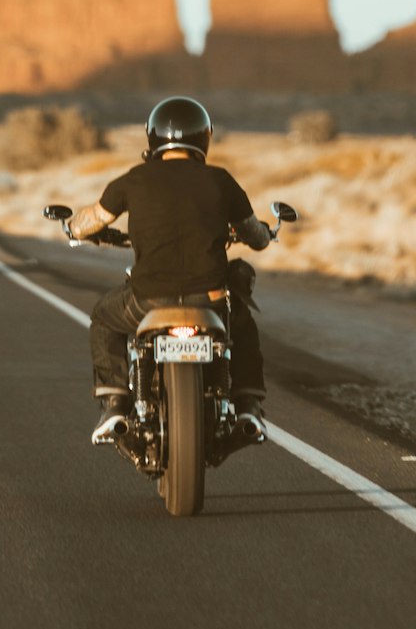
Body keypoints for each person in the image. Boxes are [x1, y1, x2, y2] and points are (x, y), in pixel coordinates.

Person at [68, 97, 273, 444]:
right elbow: (256, 236)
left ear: (153, 137)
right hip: (209, 298)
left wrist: (73, 227)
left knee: (104, 317)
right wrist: (266, 232)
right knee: (243, 322)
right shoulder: (220, 180)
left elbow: (92, 221)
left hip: (148, 299)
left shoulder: (134, 180)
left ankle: (116, 402)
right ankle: (249, 404)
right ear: (203, 137)